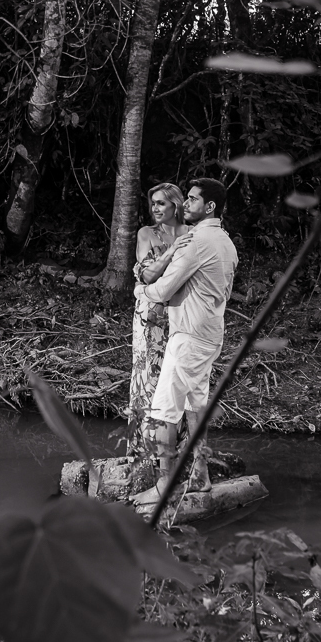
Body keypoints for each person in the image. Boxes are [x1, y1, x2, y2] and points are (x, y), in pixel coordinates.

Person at [132, 178, 237, 500]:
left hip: (189, 335)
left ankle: (165, 485)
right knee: (195, 406)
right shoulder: (226, 242)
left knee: (163, 410)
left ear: (210, 207)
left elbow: (162, 290)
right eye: (187, 199)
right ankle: (200, 475)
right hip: (210, 334)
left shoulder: (197, 241)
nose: (186, 204)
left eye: (192, 200)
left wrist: (141, 291)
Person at [129, 183, 188, 454]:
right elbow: (146, 276)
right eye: (153, 202)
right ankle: (144, 450)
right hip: (150, 318)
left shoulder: (192, 234)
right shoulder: (147, 234)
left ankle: (175, 449)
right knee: (148, 378)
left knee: (178, 380)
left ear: (176, 205)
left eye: (161, 203)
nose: (155, 208)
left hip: (182, 316)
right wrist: (172, 250)